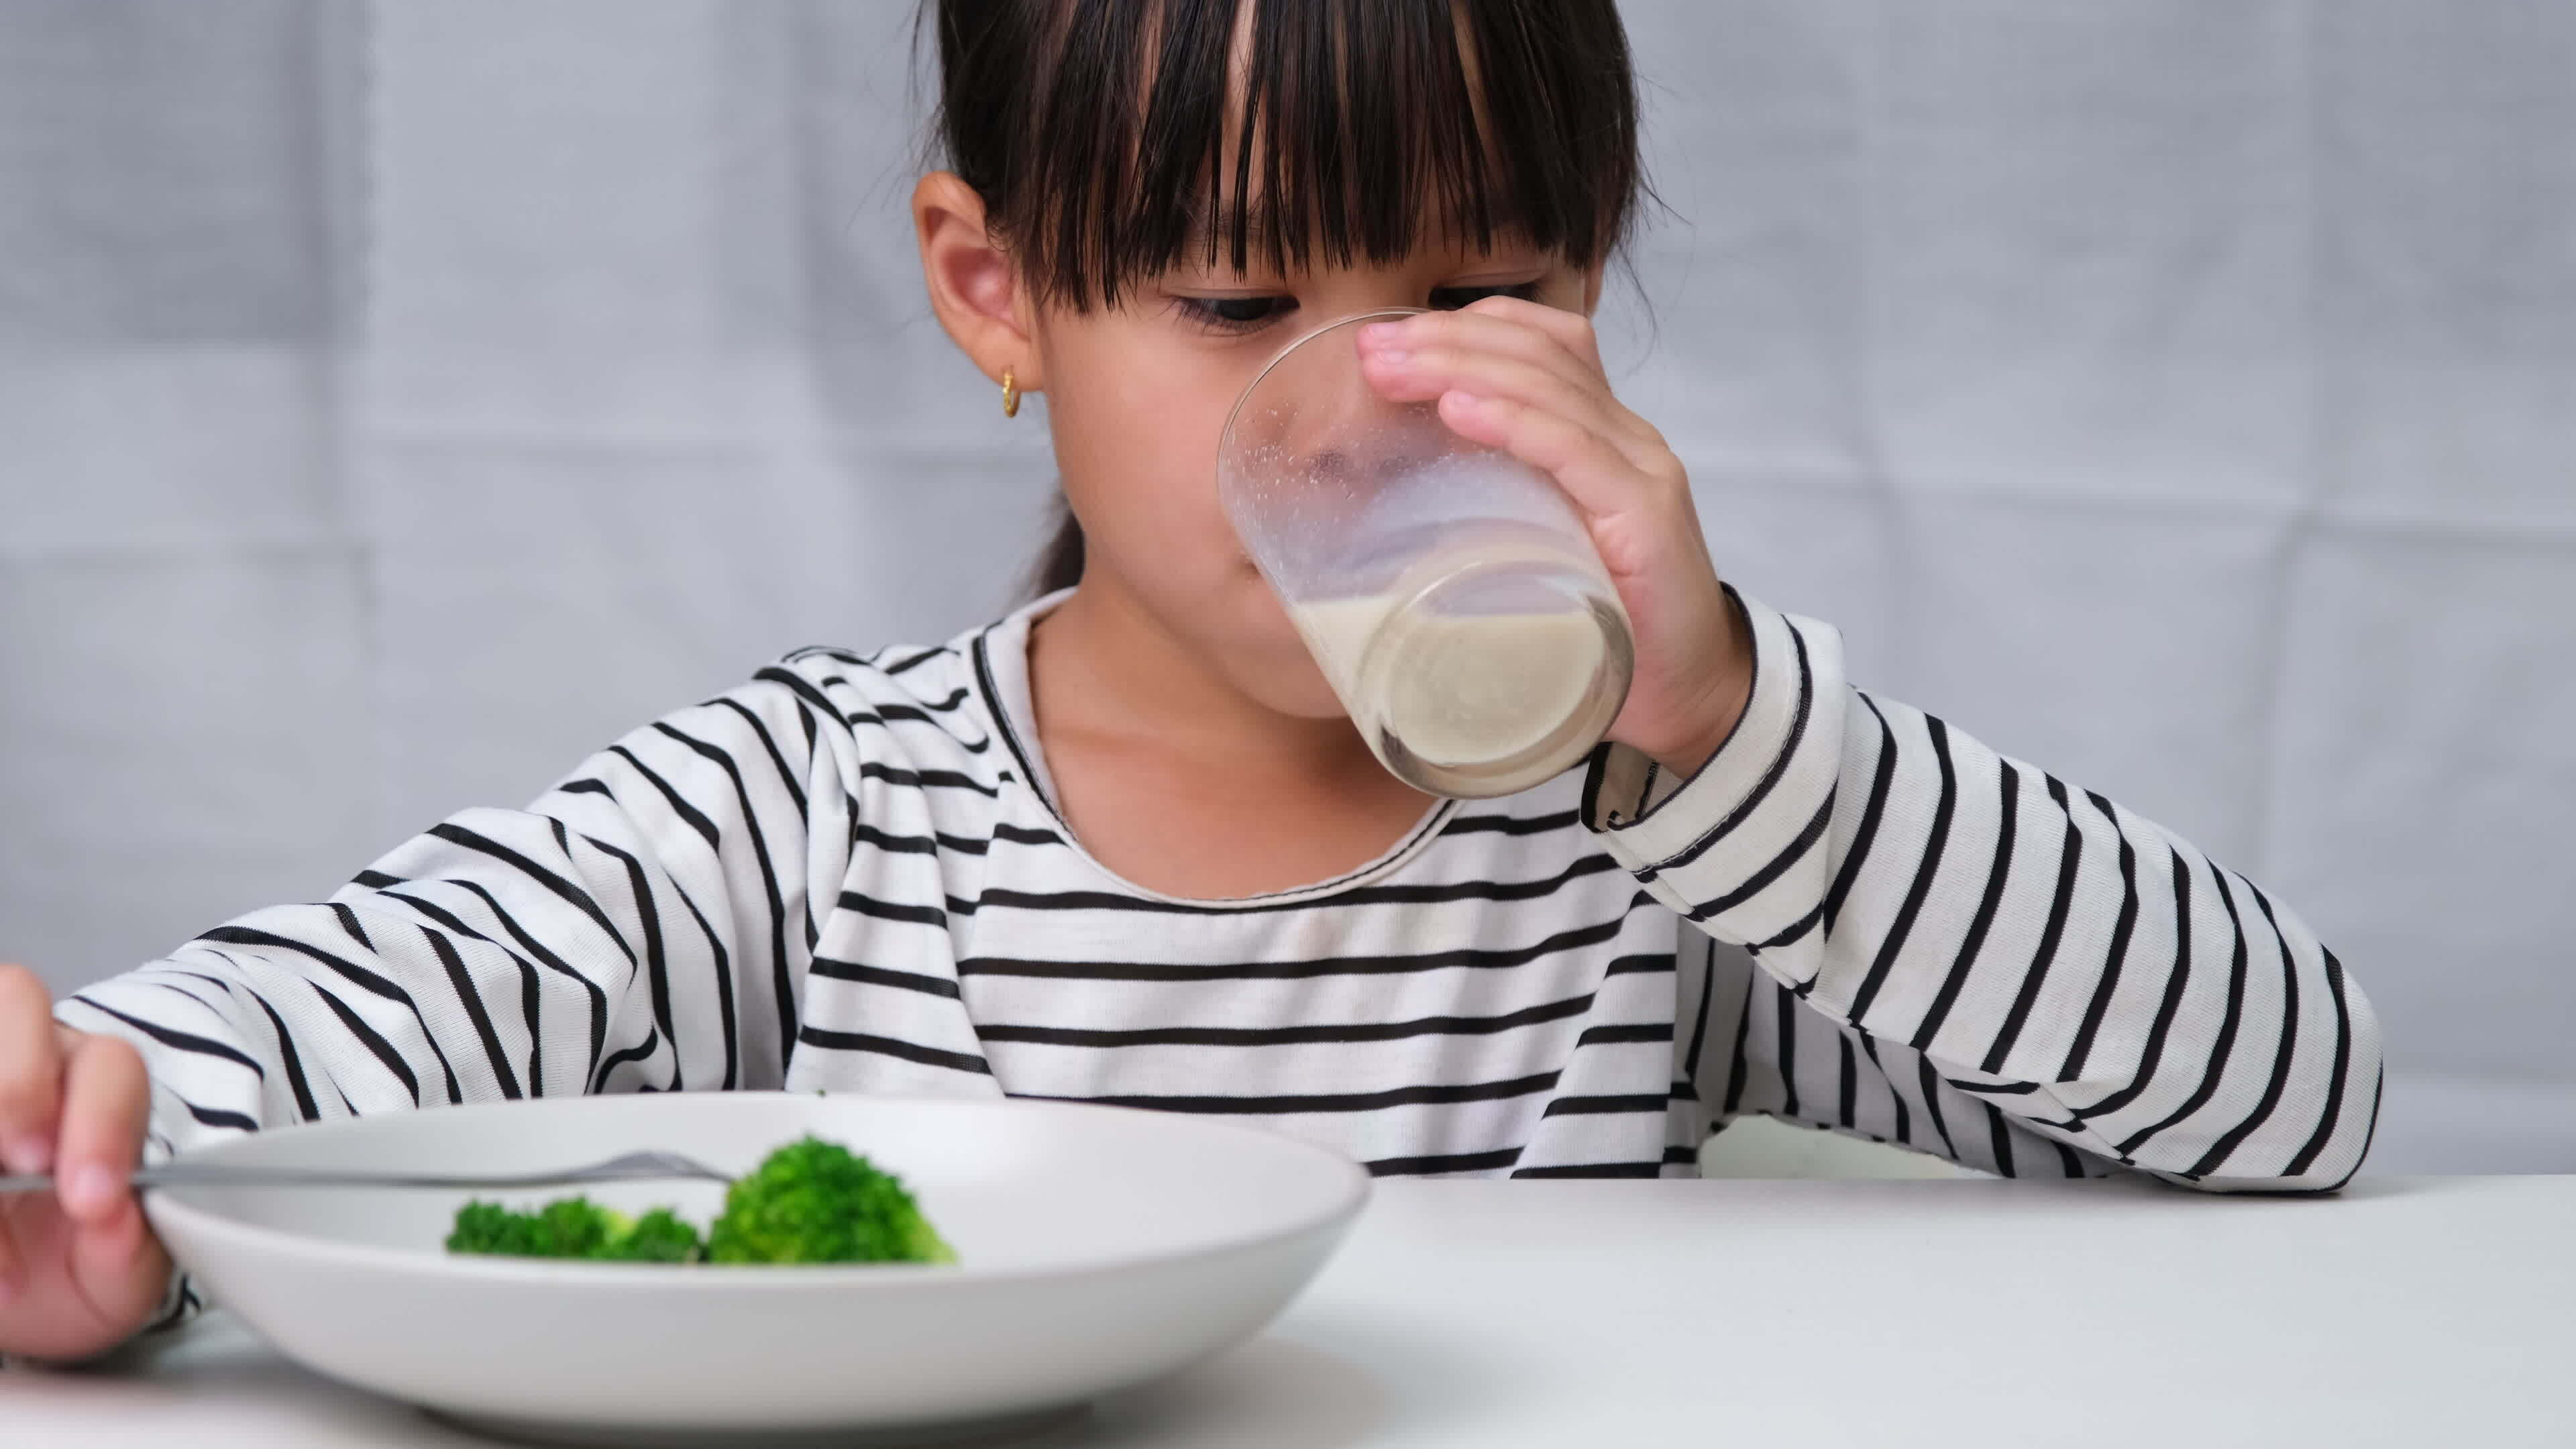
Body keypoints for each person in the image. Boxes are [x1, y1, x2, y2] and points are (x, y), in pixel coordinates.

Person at [0, 0, 2381, 1363]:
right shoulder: (817, 810)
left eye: (1486, 294)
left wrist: (1740, 725)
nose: (1378, 404)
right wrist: (78, 1142)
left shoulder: (1661, 846)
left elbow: (2285, 1101)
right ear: (995, 294)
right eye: (1244, 307)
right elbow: (348, 1015)